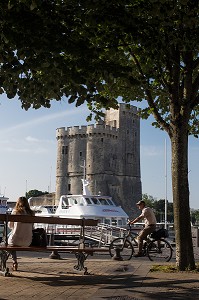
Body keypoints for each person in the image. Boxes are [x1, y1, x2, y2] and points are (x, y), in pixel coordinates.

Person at [7, 196, 34, 270]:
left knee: (6, 243)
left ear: (17, 203)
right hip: (28, 242)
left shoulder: (15, 211)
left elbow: (10, 225)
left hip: (16, 240)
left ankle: (14, 261)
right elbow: (32, 227)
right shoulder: (31, 213)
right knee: (11, 241)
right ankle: (14, 262)